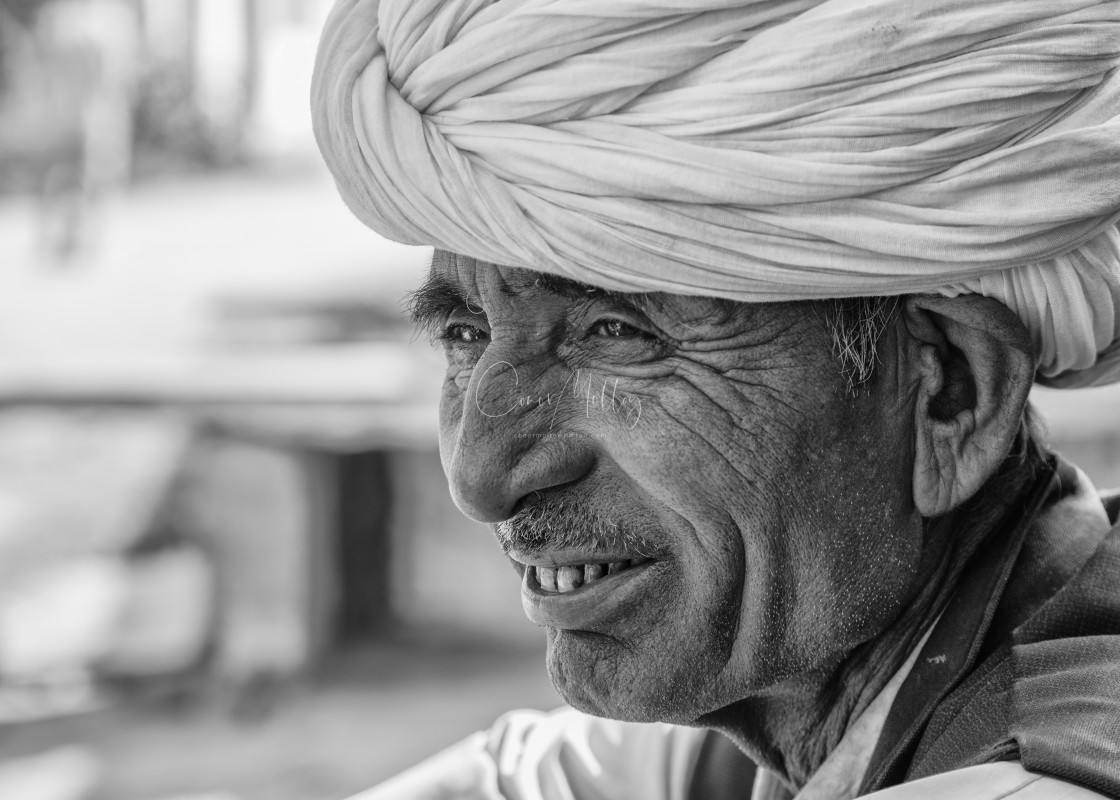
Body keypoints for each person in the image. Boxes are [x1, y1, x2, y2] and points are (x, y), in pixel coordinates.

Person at [310, 0, 1120, 797]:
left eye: (615, 335)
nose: (480, 479)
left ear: (953, 393)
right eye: (464, 335)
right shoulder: (790, 712)